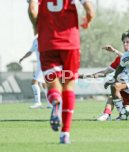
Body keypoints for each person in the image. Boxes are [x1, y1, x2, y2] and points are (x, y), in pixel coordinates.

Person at [27, 0, 94, 144]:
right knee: (68, 86)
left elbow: (33, 9)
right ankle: (65, 134)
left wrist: (36, 26)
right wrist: (87, 21)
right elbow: (89, 10)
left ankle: (56, 102)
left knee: (52, 85)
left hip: (47, 43)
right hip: (70, 44)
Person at [19, 38, 52, 109]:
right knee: (44, 85)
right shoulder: (35, 40)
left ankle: (38, 102)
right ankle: (50, 103)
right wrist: (23, 58)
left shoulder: (48, 38)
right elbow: (30, 51)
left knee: (34, 82)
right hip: (39, 64)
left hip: (44, 64)